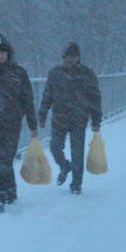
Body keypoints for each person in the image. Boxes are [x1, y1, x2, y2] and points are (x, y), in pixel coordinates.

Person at [0, 33, 38, 214]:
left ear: (9, 53)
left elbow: (27, 99)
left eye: (3, 52)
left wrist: (32, 123)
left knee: (6, 158)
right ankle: (3, 194)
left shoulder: (19, 73)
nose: (1, 56)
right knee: (1, 158)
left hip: (13, 123)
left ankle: (6, 193)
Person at [38, 42, 102, 195]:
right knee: (54, 147)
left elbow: (95, 98)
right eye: (67, 57)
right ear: (63, 58)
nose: (70, 60)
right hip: (59, 118)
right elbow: (48, 95)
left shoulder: (87, 74)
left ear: (78, 58)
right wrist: (43, 113)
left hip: (79, 119)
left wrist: (96, 120)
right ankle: (65, 166)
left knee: (77, 153)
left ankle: (76, 184)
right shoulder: (55, 73)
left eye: (73, 57)